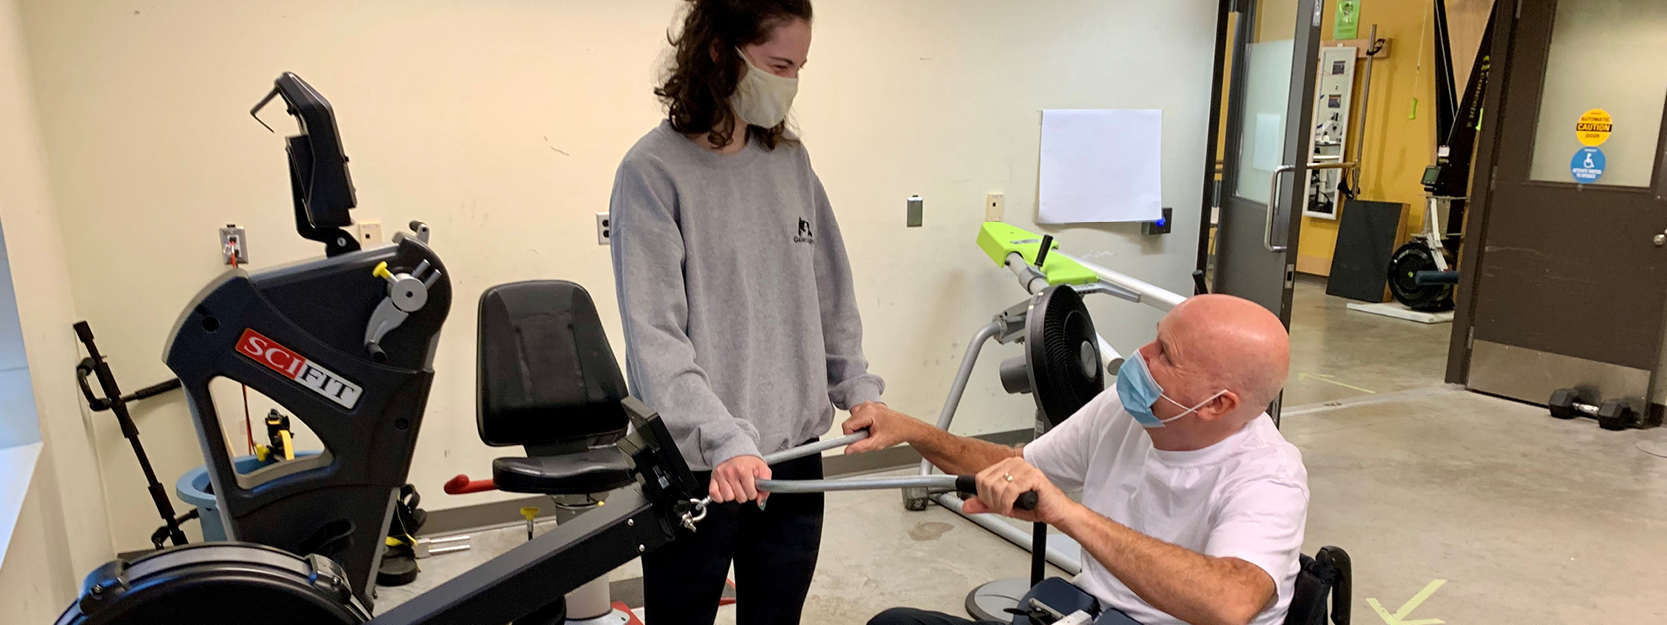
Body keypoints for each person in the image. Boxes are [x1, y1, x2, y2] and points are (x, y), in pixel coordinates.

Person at [608, 1, 885, 623]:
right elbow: (656, 341)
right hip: (699, 463)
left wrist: (859, 389)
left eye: (800, 68)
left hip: (790, 455)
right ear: (718, 52)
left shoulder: (790, 163)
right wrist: (725, 437)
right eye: (777, 64)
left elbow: (830, 294)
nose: (788, 84)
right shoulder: (651, 173)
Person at [845, 295, 1308, 625]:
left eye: (1165, 355)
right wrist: (912, 431)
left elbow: (1230, 603)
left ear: (1217, 404)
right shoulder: (1127, 411)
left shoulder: (1269, 477)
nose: (1140, 358)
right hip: (1087, 612)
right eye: (1155, 340)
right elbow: (1014, 463)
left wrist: (1066, 513)